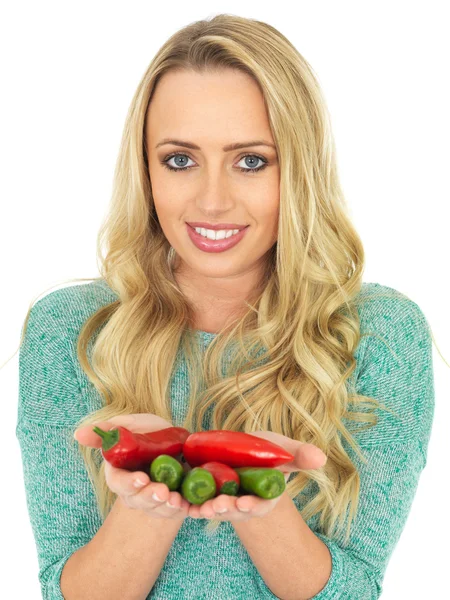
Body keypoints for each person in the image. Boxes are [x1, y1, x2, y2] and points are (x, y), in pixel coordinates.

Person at [15, 13, 435, 600]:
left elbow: (356, 590)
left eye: (251, 161)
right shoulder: (72, 330)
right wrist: (149, 506)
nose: (212, 201)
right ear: (146, 170)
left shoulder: (379, 333)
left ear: (299, 169)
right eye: (180, 160)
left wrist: (262, 507)